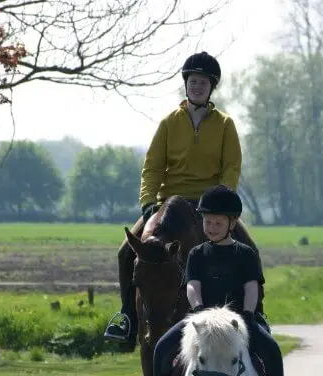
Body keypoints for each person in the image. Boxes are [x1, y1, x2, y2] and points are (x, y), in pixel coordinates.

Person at [104, 51, 248, 344]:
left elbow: (231, 166)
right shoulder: (169, 122)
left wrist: (221, 201)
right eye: (193, 81)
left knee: (249, 249)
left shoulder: (224, 125)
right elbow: (153, 165)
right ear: (186, 84)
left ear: (211, 88)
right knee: (124, 252)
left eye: (203, 82)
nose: (198, 86)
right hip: (168, 203)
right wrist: (148, 202)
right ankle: (128, 317)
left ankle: (254, 316)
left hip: (209, 205)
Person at [133, 185, 300, 376]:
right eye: (208, 223)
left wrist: (249, 314)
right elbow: (192, 285)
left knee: (271, 349)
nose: (211, 228)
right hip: (202, 318)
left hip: (238, 319)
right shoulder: (197, 254)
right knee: (162, 347)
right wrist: (198, 308)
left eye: (217, 224)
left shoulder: (245, 254)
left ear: (232, 224)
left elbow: (251, 286)